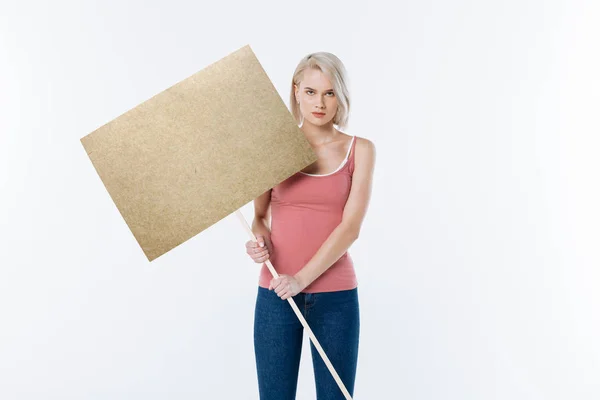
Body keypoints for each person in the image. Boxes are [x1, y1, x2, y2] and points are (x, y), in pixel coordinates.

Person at [245, 52, 376, 400]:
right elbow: (259, 216)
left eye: (330, 93)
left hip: (336, 298)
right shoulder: (273, 149)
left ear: (340, 97)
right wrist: (259, 241)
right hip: (276, 295)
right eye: (311, 92)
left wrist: (301, 279)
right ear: (296, 91)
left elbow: (351, 227)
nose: (320, 103)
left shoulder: (360, 150)